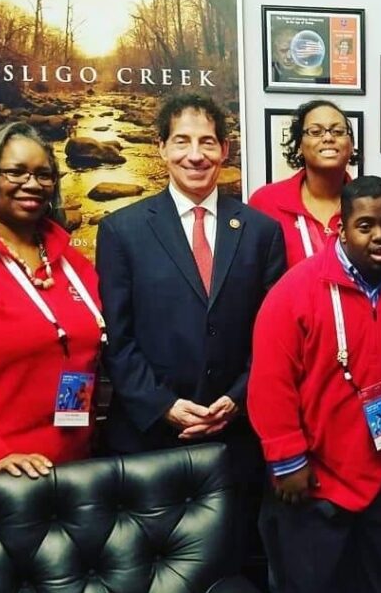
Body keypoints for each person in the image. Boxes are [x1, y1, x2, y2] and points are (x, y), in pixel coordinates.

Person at [96, 93, 286, 580]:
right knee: (149, 574)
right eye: (181, 141)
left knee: (232, 569)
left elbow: (274, 336)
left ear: (225, 150)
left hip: (235, 439)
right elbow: (118, 339)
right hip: (150, 439)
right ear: (161, 148)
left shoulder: (261, 231)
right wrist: (163, 405)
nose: (195, 154)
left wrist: (238, 398)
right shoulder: (123, 230)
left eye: (207, 142)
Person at [249, 176, 381, 593]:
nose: (380, 236)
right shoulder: (296, 290)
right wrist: (287, 460)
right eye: (366, 225)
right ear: (342, 227)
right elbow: (271, 383)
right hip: (314, 481)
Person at [0, 122, 104, 477]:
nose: (32, 184)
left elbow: (84, 354)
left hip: (69, 469)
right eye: (15, 172)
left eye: (44, 174)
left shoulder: (72, 262)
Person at [250, 100, 358, 268]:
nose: (328, 137)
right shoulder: (266, 202)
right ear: (299, 145)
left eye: (338, 131)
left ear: (350, 145)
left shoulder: (369, 204)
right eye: (315, 132)